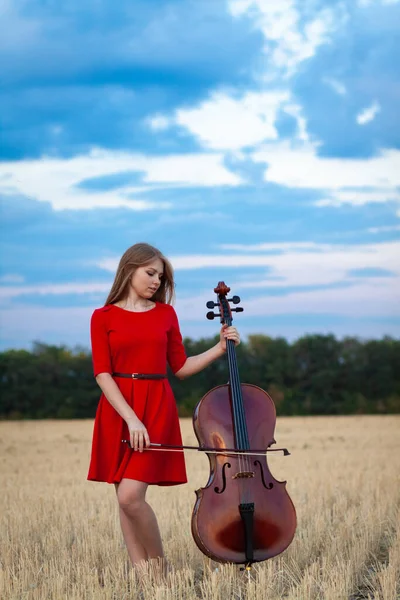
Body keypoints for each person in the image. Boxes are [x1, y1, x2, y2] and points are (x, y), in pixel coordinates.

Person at [87, 242, 240, 574]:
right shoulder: (102, 317)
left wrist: (219, 347)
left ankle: (160, 568)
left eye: (161, 276)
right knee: (124, 501)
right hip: (119, 410)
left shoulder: (165, 314)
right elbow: (102, 373)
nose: (157, 281)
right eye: (150, 273)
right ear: (129, 269)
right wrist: (130, 419)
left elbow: (181, 367)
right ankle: (145, 577)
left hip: (155, 407)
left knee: (130, 497)